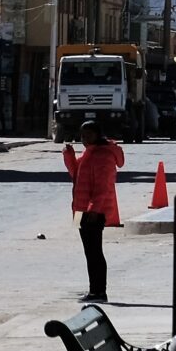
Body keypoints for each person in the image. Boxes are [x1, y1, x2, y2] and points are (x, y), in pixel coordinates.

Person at [62, 121, 125, 303]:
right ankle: (94, 290)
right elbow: (76, 175)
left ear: (98, 134)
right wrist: (69, 156)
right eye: (82, 135)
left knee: (95, 252)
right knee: (89, 252)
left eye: (88, 135)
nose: (85, 139)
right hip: (80, 210)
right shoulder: (89, 153)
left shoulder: (103, 155)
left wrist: (94, 210)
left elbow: (103, 188)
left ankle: (99, 292)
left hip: (93, 213)